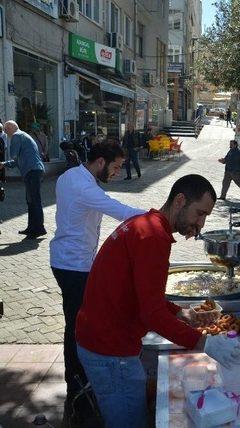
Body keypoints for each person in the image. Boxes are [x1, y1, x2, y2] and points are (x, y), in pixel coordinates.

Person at [75, 175, 240, 427]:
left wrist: (180, 313)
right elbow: (151, 313)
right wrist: (204, 343)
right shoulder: (154, 237)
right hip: (110, 350)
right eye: (199, 214)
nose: (201, 224)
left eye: (205, 217)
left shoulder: (144, 223)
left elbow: (143, 295)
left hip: (102, 342)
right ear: (180, 200)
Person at [49, 142, 146, 422]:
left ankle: (78, 382)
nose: (116, 173)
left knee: (75, 322)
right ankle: (78, 387)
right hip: (74, 264)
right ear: (100, 162)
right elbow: (119, 210)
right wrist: (158, 217)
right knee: (77, 327)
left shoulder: (70, 176)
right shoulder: (84, 186)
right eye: (115, 167)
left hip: (65, 259)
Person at [0, 120, 46, 239]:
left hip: (32, 171)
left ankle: (38, 229)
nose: (5, 133)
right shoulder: (24, 135)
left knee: (34, 200)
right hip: (34, 170)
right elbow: (16, 160)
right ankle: (32, 228)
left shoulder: (16, 136)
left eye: (6, 130)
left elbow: (14, 156)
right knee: (31, 200)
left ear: (11, 128)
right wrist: (4, 164)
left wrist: (4, 161)